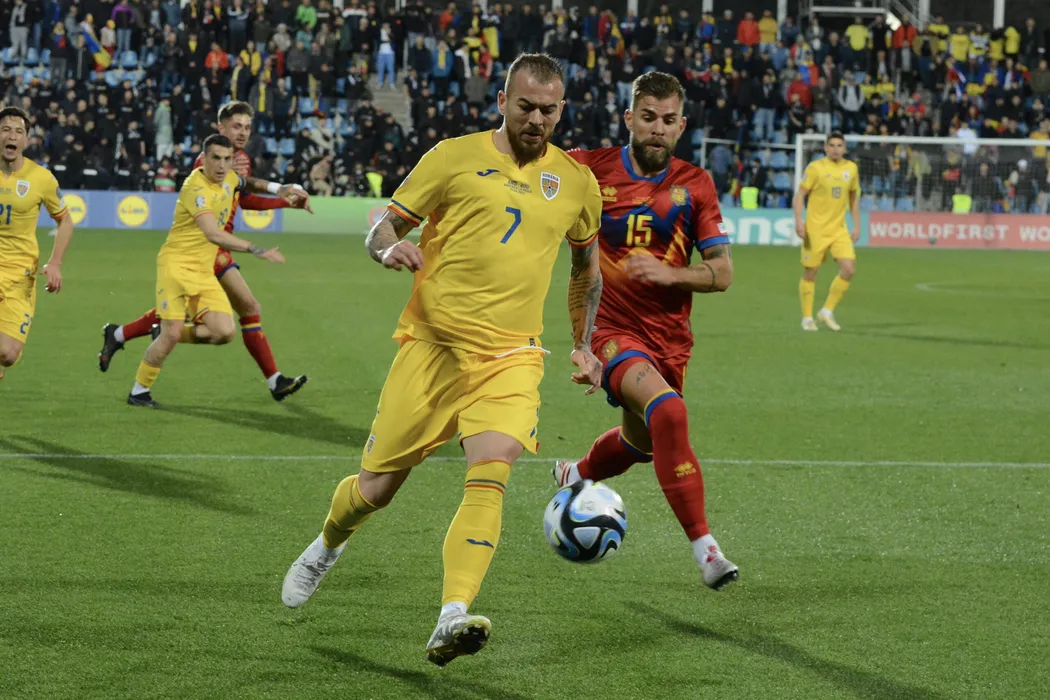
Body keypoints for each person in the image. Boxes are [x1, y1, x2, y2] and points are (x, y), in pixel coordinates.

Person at [280, 53, 604, 667]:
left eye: (548, 110)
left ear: (562, 110)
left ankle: (453, 613)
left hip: (511, 356)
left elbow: (587, 268)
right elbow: (383, 228)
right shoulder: (452, 157)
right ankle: (328, 542)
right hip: (433, 348)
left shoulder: (577, 182)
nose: (536, 120)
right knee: (375, 489)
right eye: (525, 107)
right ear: (502, 101)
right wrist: (388, 250)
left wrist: (584, 343)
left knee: (492, 470)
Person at [554, 72, 739, 591]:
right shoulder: (588, 169)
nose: (658, 128)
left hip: (670, 340)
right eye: (648, 117)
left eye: (668, 120)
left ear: (682, 126)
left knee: (643, 443)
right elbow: (523, 173)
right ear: (629, 118)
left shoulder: (695, 184)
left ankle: (577, 473)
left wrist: (670, 274)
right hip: (612, 331)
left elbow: (723, 273)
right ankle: (707, 551)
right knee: (670, 413)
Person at [99, 102, 312, 401]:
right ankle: (273, 379)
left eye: (247, 127)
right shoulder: (209, 164)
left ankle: (121, 334)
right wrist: (257, 245)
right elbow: (213, 218)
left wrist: (282, 194)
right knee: (239, 309)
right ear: (220, 128)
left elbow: (244, 193)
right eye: (236, 126)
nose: (243, 133)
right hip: (207, 246)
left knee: (196, 318)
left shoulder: (237, 161)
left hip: (216, 247)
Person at [0, 107, 74, 382]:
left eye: (18, 131)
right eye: (6, 129)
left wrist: (55, 263)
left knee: (7, 354)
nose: (12, 136)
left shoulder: (41, 178)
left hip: (20, 273)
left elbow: (65, 221)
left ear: (26, 140)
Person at [793, 131, 860, 332]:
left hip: (839, 229)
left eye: (839, 145)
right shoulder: (816, 168)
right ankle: (807, 318)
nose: (835, 149)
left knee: (848, 269)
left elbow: (853, 197)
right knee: (811, 272)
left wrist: (857, 225)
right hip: (815, 230)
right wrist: (798, 220)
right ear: (825, 148)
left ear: (844, 148)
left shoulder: (851, 168)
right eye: (832, 145)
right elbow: (800, 194)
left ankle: (827, 311)